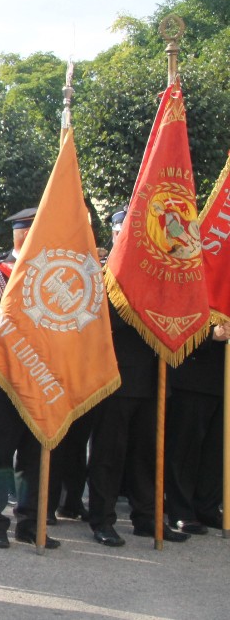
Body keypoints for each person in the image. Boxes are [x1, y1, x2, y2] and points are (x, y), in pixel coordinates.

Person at [87, 208, 190, 547]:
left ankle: (147, 518)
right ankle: (102, 519)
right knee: (109, 453)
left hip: (155, 379)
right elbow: (105, 322)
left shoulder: (162, 274)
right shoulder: (105, 274)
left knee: (149, 454)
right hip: (117, 378)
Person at [0, 207, 61, 549]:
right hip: (4, 380)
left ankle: (30, 521)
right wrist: (22, 357)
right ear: (21, 234)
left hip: (43, 382)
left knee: (34, 457)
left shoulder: (54, 273)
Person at [165, 323, 227, 535]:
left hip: (224, 376)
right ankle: (180, 510)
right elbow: (175, 318)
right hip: (194, 372)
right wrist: (209, 335)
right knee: (185, 448)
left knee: (217, 450)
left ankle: (207, 506)